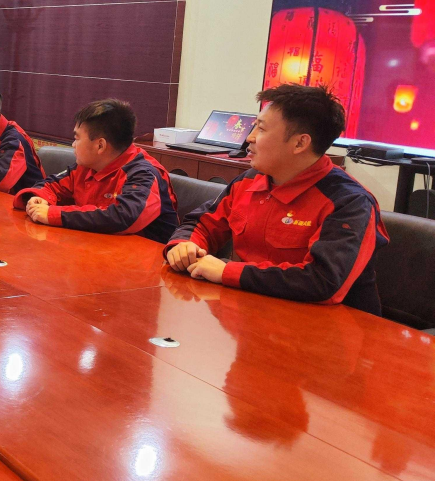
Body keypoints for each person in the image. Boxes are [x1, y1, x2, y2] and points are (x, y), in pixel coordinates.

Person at [165, 85, 388, 314]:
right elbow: (203, 223)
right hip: (253, 312)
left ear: (300, 143)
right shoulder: (250, 180)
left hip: (326, 325)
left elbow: (323, 281)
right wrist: (185, 246)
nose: (249, 138)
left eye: (261, 129)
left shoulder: (349, 202)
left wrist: (226, 271)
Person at [15, 98, 178, 242]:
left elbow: (124, 217)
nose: (73, 144)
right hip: (97, 247)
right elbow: (52, 185)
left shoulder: (144, 174)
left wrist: (54, 214)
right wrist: (39, 198)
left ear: (100, 145)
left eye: (77, 138)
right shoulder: (87, 166)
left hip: (145, 261)